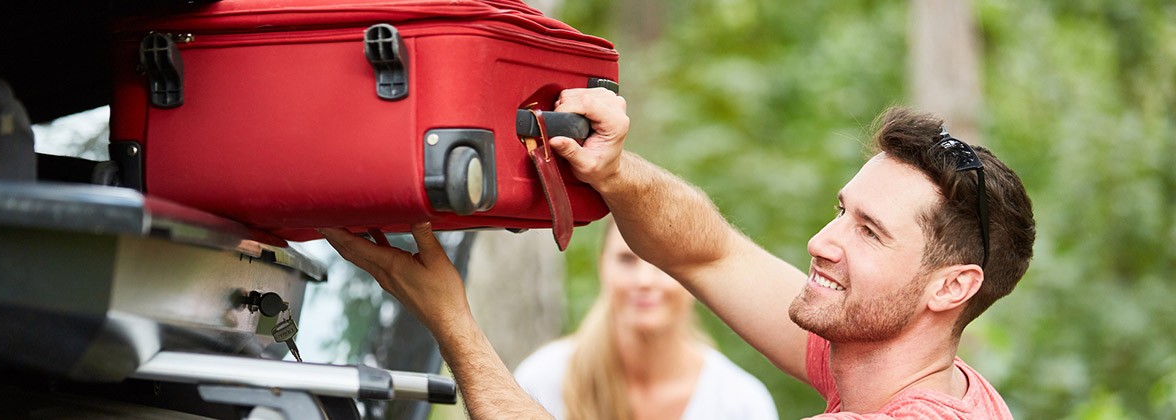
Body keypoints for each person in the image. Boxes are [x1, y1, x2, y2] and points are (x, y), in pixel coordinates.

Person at [320, 87, 1035, 419]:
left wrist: (455, 326)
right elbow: (711, 254)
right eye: (841, 212)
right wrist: (615, 172)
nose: (823, 242)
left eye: (869, 232)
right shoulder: (881, 352)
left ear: (952, 287)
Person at [512, 218, 778, 420]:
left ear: (696, 274)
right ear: (602, 264)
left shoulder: (740, 402)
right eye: (627, 260)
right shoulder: (542, 380)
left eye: (664, 264)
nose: (644, 281)